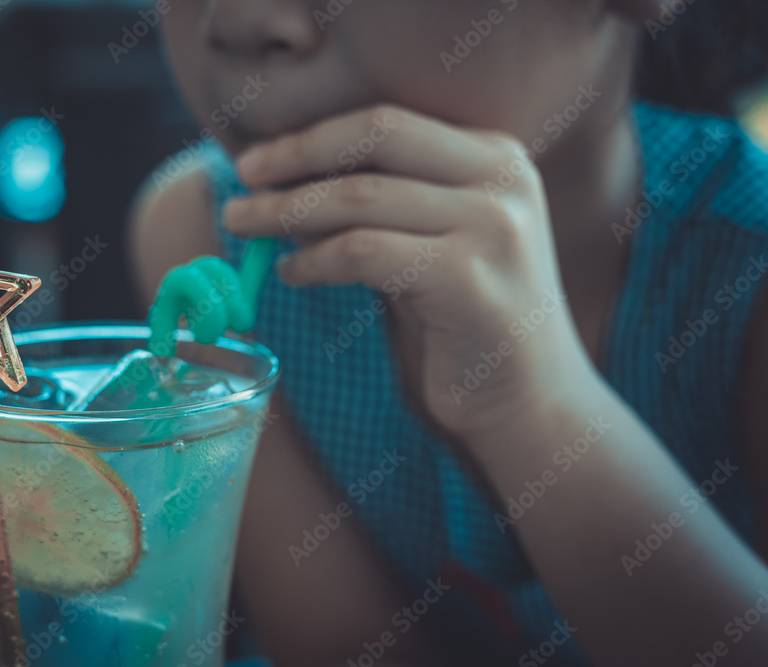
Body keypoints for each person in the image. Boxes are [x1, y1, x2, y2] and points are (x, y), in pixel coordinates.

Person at [127, 1, 768, 664]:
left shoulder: (748, 268)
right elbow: (343, 644)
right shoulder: (203, 248)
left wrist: (535, 404)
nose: (243, 19)